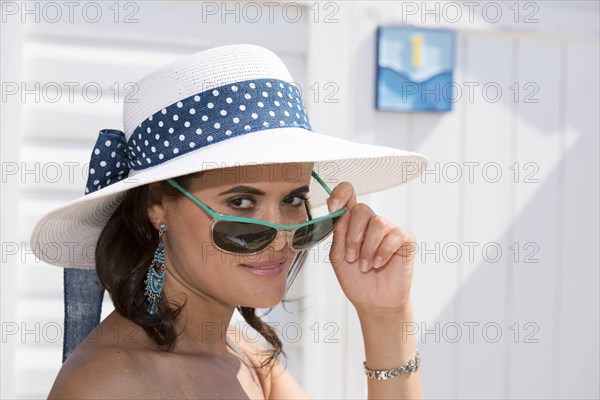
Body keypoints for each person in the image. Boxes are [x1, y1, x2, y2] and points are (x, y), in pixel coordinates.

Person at [30, 44, 428, 399]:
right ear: (157, 205)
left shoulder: (245, 358)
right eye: (241, 202)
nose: (280, 237)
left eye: (293, 199)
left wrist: (386, 315)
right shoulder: (108, 386)